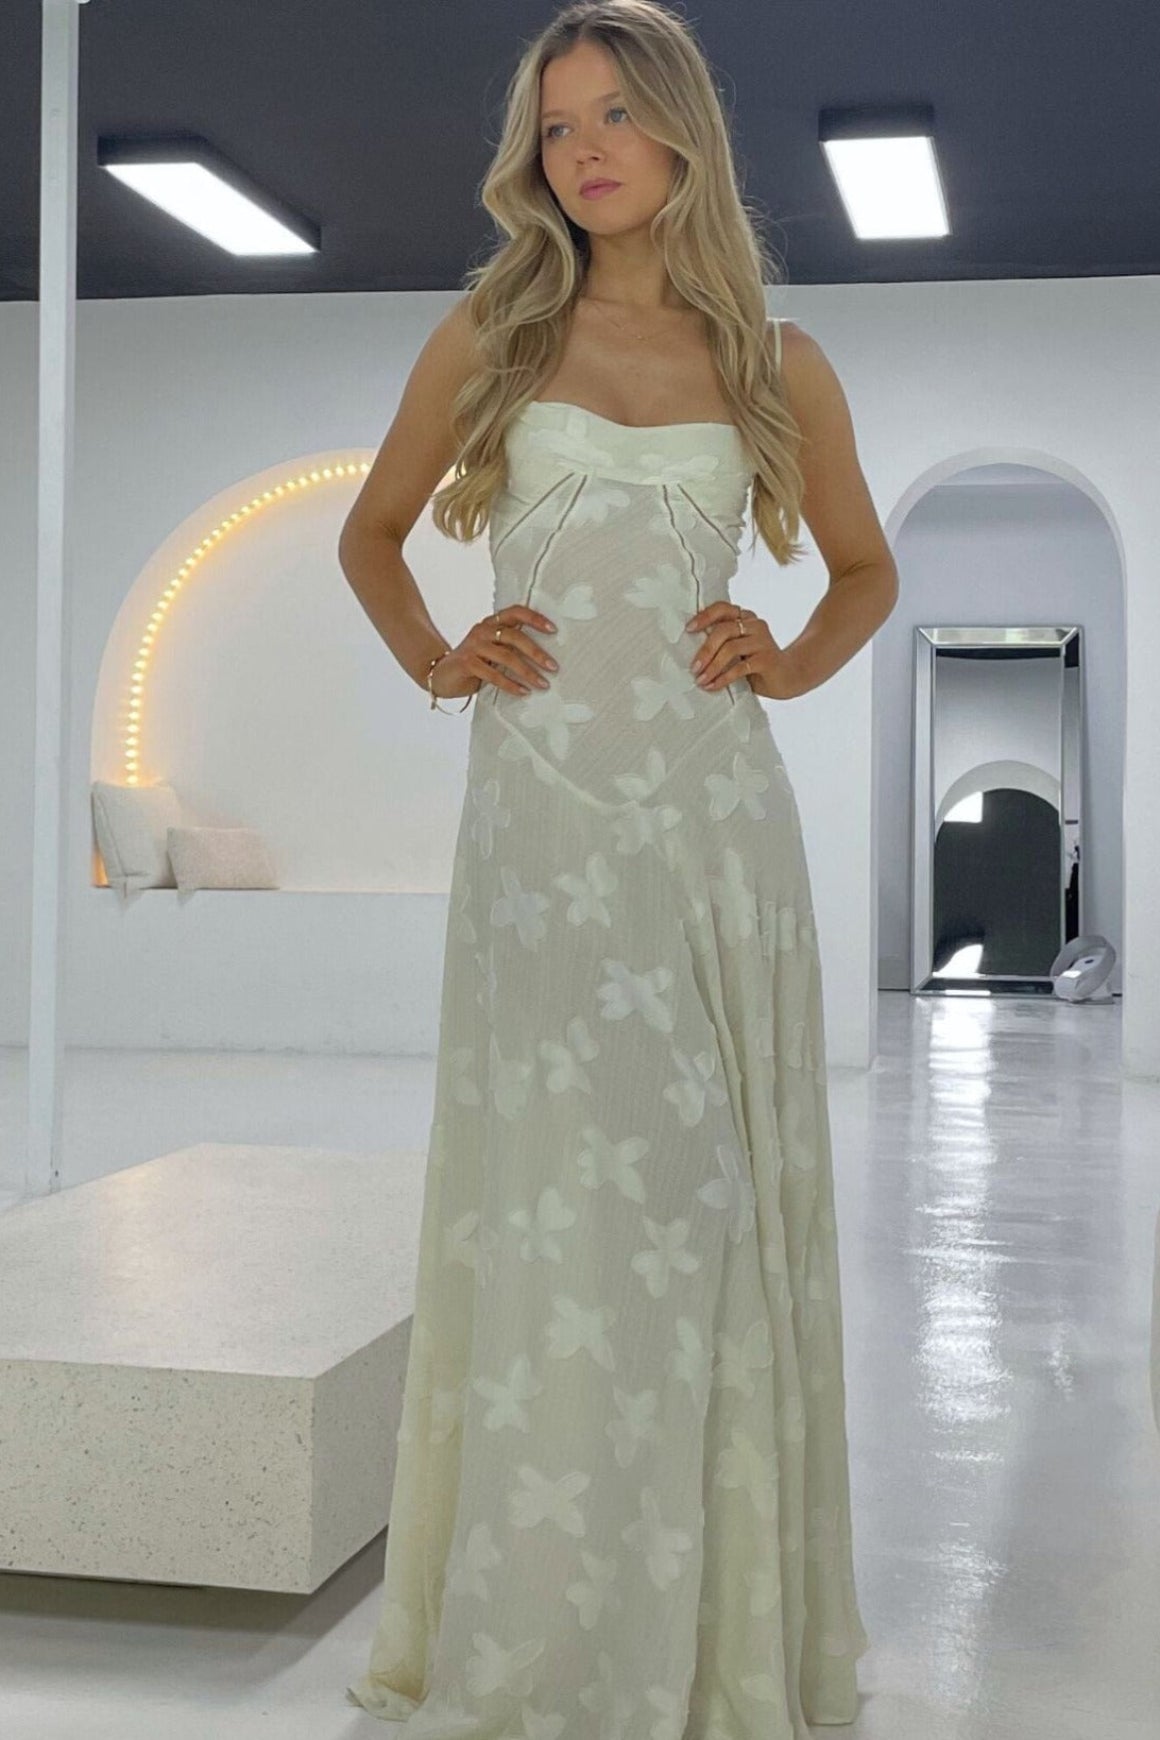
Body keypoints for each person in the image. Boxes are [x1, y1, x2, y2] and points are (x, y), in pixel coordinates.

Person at [339, 2, 898, 1733]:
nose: (584, 150)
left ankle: (708, 1627)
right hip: (539, 827)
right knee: (555, 1209)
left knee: (704, 1203)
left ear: (681, 134)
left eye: (614, 116)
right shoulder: (492, 336)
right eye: (557, 123)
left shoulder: (776, 360)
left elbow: (865, 570)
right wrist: (439, 656)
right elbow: (372, 533)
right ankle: (549, 1629)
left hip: (712, 823)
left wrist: (788, 661)